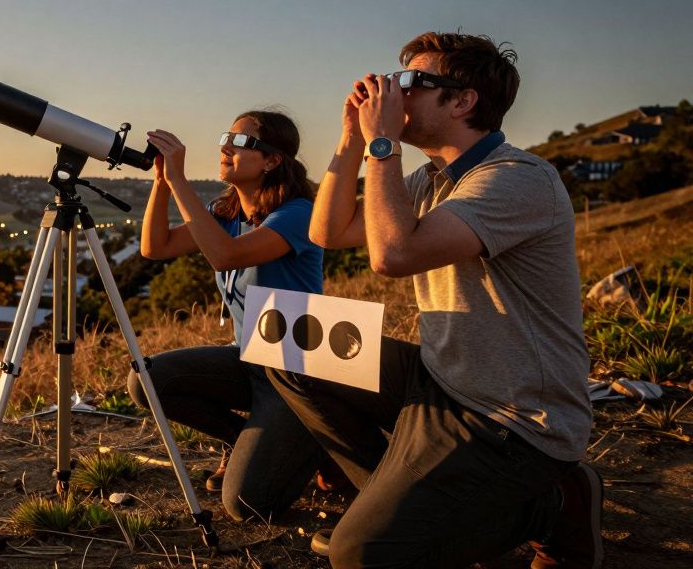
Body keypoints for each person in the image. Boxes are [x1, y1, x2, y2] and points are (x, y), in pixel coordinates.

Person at [270, 32, 599, 568]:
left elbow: (393, 256)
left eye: (410, 83)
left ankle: (552, 505)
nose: (393, 94)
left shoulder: (518, 179)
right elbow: (326, 232)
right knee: (291, 346)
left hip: (512, 418)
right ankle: (398, 496)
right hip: (441, 377)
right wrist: (352, 140)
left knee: (360, 557)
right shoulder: (430, 178)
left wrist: (383, 144)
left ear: (463, 100)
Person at [126, 109, 333, 521]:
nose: (225, 147)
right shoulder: (226, 213)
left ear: (273, 160)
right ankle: (247, 443)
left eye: (240, 142)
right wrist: (163, 184)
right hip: (250, 358)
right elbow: (156, 247)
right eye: (227, 138)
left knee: (247, 504)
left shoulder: (297, 214)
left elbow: (225, 257)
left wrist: (181, 181)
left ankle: (316, 444)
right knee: (147, 379)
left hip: (298, 370)